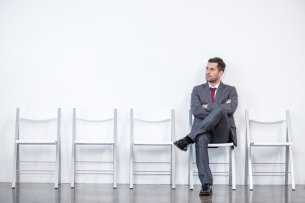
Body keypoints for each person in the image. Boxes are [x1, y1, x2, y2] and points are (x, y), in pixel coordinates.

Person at [174, 57, 238, 196]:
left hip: (222, 132)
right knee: (202, 137)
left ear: (220, 73)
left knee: (220, 111)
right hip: (204, 132)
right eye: (207, 68)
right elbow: (196, 110)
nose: (208, 72)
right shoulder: (197, 90)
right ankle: (206, 184)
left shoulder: (230, 90)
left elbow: (231, 108)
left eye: (212, 69)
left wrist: (210, 106)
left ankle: (188, 138)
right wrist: (220, 108)